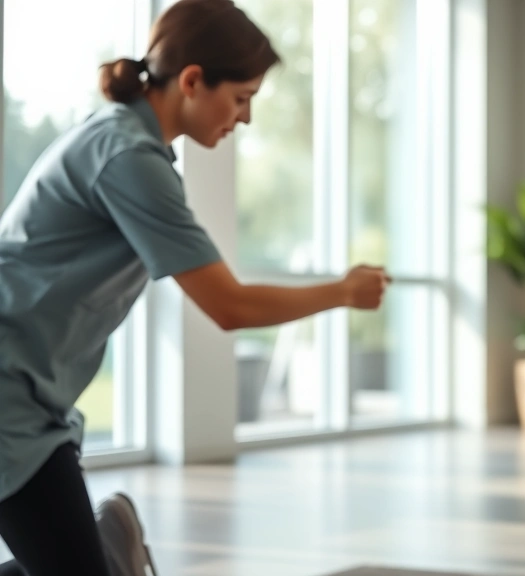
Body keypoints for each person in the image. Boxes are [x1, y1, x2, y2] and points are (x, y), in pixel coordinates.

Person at [0, 1, 390, 575]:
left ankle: (108, 546)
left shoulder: (134, 147)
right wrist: (341, 291)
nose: (247, 118)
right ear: (191, 81)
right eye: (242, 98)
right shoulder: (128, 155)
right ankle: (110, 548)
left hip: (28, 400)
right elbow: (228, 305)